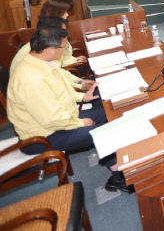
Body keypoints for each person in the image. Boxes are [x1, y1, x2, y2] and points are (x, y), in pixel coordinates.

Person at [7, 26, 132, 192]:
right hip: (41, 137)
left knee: (108, 113)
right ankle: (117, 176)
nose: (65, 50)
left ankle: (115, 163)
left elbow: (61, 88)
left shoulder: (40, 61)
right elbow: (51, 120)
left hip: (58, 120)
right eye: (63, 47)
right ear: (48, 49)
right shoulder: (30, 79)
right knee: (103, 131)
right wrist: (80, 122)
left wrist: (82, 97)